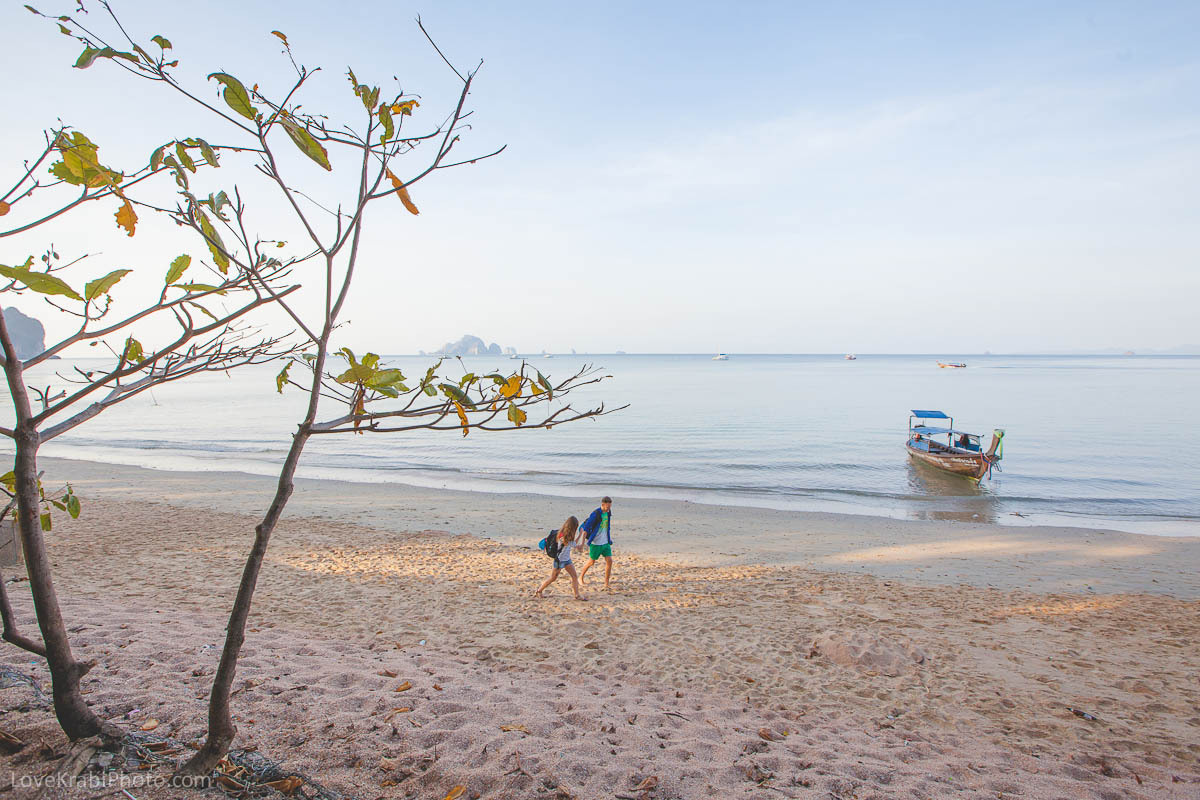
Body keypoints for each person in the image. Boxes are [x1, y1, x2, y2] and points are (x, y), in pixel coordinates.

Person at [534, 516, 587, 601]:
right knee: (553, 578)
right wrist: (580, 534)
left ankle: (577, 595)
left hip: (567, 560)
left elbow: (572, 544)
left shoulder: (565, 533)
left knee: (574, 576)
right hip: (560, 560)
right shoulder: (563, 536)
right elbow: (573, 544)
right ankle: (539, 591)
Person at [578, 496, 614, 591]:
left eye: (610, 507)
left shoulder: (608, 512)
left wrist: (609, 538)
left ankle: (606, 583)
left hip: (605, 542)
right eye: (607, 507)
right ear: (602, 505)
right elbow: (585, 529)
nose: (608, 509)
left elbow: (608, 526)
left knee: (609, 561)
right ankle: (580, 577)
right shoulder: (595, 514)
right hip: (596, 543)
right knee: (591, 562)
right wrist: (582, 544)